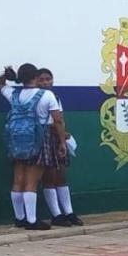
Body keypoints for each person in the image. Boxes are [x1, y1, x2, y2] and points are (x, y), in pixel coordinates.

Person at [0, 62, 66, 230]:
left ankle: (19, 218)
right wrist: (62, 142)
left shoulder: (12, 93)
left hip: (16, 141)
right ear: (36, 77)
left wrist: (8, 75)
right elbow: (57, 120)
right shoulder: (46, 96)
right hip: (38, 141)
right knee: (31, 182)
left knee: (18, 180)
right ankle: (32, 220)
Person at [35, 68, 81, 227]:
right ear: (35, 81)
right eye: (42, 79)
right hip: (45, 138)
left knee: (61, 175)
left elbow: (59, 119)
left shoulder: (55, 97)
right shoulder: (35, 98)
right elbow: (51, 122)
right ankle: (56, 214)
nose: (46, 82)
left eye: (48, 79)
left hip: (57, 137)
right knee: (49, 176)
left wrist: (62, 136)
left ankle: (69, 212)